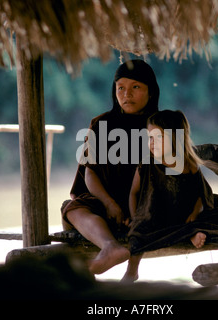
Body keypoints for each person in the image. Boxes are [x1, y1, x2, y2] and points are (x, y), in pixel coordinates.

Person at [61, 59, 160, 275]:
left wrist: (137, 209)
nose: (127, 94)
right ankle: (110, 246)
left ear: (151, 92)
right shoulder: (102, 124)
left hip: (148, 204)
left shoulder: (161, 125)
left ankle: (133, 269)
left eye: (136, 87)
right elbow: (90, 172)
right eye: (120, 88)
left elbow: (170, 176)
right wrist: (109, 203)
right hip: (108, 205)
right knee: (73, 209)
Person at [122, 110, 218, 282]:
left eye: (159, 138)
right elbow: (133, 193)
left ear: (175, 138)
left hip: (183, 214)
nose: (152, 143)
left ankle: (192, 231)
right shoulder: (147, 164)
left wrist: (195, 213)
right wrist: (134, 216)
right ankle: (132, 270)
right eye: (150, 137)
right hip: (154, 214)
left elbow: (201, 194)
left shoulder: (188, 164)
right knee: (137, 234)